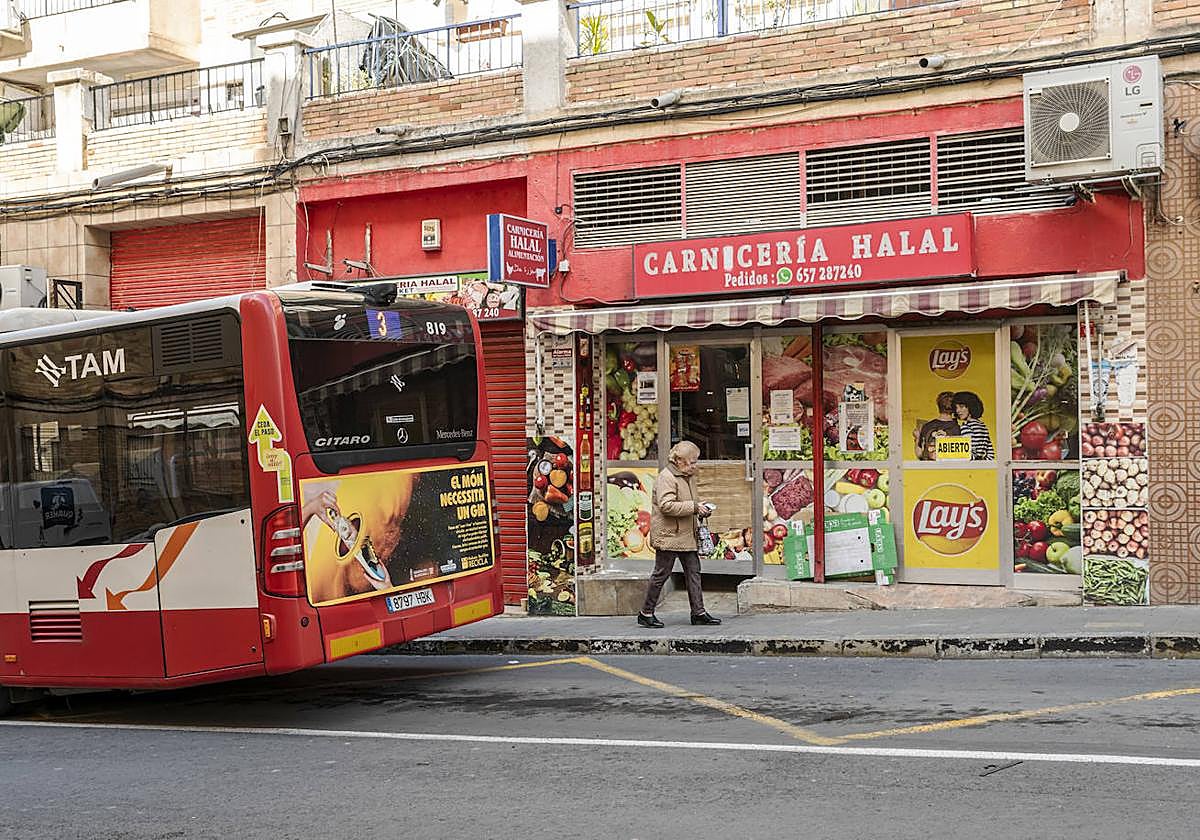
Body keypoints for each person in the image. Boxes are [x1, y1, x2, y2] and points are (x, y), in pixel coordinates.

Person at [637, 441, 722, 628]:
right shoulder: (666, 477)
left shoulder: (687, 476)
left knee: (694, 572)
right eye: (692, 462)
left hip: (686, 533)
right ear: (679, 460)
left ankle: (698, 613)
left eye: (695, 461)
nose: (695, 465)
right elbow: (666, 505)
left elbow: (688, 502)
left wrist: (700, 509)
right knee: (661, 573)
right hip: (670, 534)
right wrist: (694, 507)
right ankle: (646, 612)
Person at [916, 391, 960, 460]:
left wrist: (917, 437)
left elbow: (919, 454)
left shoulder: (927, 426)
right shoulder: (958, 428)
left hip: (930, 468)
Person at [953, 391, 995, 461]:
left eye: (961, 407)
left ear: (970, 406)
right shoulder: (983, 426)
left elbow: (966, 452)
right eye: (956, 407)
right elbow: (990, 453)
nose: (958, 410)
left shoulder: (966, 427)